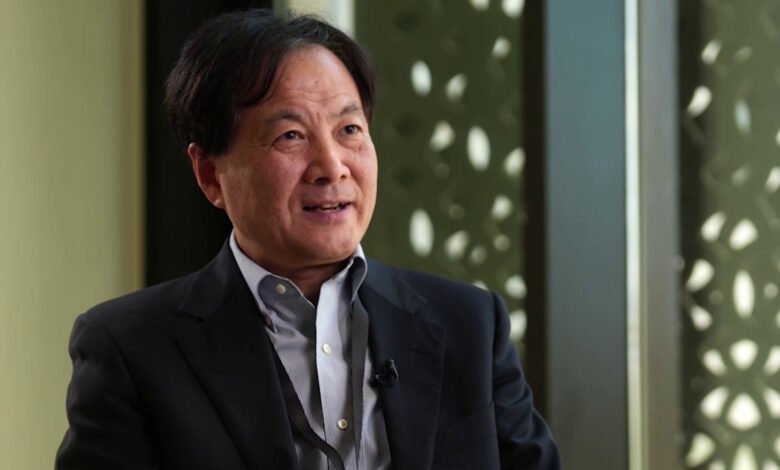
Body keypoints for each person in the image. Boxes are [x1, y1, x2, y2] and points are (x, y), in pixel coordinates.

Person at [56, 9, 561, 470]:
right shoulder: (131, 349)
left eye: (349, 129)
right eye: (291, 136)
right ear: (210, 175)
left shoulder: (469, 325)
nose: (332, 167)